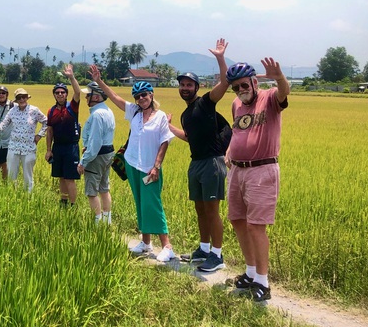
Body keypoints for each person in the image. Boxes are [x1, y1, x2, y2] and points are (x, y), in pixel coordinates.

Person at [89, 65, 176, 262]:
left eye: (144, 95)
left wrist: (157, 166)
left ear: (151, 95)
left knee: (153, 205)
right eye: (137, 97)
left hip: (149, 168)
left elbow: (164, 142)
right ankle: (146, 243)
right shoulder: (135, 112)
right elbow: (116, 98)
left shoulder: (160, 117)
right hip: (132, 164)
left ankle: (167, 246)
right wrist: (100, 81)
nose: (141, 99)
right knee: (140, 203)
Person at [225, 58, 290, 302]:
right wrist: (230, 151)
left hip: (262, 170)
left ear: (254, 82)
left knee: (255, 225)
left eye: (244, 85)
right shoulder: (236, 105)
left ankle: (263, 281)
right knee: (238, 220)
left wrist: (280, 77)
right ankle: (250, 273)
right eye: (235, 87)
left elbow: (284, 93)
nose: (240, 91)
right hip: (237, 171)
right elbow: (237, 132)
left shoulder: (270, 98)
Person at [167, 39, 230, 272]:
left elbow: (225, 82)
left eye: (189, 84)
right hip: (196, 163)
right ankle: (203, 249)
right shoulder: (186, 114)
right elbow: (189, 138)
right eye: (182, 84)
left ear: (197, 87)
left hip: (212, 162)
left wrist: (220, 58)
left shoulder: (205, 103)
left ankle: (217, 255)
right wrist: (170, 127)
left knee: (212, 210)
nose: (185, 88)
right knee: (200, 209)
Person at [0, 88, 47, 193]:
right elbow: (3, 124)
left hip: (28, 148)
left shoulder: (34, 110)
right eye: (19, 98)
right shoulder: (12, 111)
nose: (22, 99)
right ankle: (12, 196)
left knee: (28, 176)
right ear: (16, 100)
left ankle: (28, 198)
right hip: (13, 147)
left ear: (27, 98)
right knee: (11, 175)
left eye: (24, 97)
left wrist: (39, 135)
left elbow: (46, 122)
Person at [77, 81, 115, 224]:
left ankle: (98, 224)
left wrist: (83, 162)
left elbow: (95, 143)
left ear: (97, 97)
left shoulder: (97, 115)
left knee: (92, 192)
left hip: (97, 156)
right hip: (107, 153)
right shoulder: (108, 111)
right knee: (104, 188)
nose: (86, 98)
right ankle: (107, 221)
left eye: (88, 95)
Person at [45, 64, 82, 208]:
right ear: (54, 94)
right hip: (57, 147)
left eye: (63, 92)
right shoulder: (51, 111)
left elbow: (78, 93)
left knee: (70, 178)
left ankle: (73, 206)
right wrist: (49, 149)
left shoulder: (72, 107)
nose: (60, 94)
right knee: (61, 176)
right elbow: (49, 131)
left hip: (71, 147)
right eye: (57, 92)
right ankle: (64, 201)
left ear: (66, 94)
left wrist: (71, 77)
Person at [0, 86, 14, 179]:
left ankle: (6, 182)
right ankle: (4, 180)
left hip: (9, 141)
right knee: (0, 162)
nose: (1, 95)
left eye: (3, 93)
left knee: (7, 163)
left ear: (7, 94)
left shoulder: (13, 106)